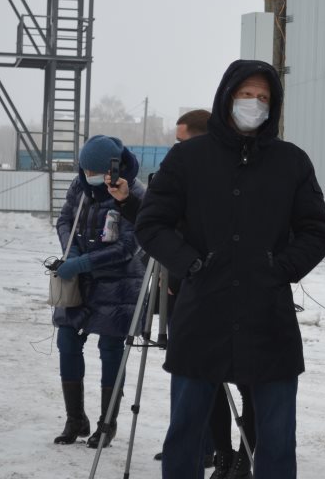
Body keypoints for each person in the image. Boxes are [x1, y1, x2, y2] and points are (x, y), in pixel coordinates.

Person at [135, 59, 325, 479]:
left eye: (263, 97)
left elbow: (317, 230)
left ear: (273, 106)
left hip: (269, 321)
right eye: (246, 94)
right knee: (186, 434)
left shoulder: (291, 162)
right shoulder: (188, 158)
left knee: (277, 440)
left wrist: (280, 269)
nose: (254, 103)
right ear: (227, 96)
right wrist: (190, 263)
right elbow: (151, 223)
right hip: (202, 314)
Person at [106, 108, 222, 469]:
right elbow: (160, 226)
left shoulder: (217, 179)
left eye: (181, 140)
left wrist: (179, 273)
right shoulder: (180, 174)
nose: (175, 149)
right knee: (186, 370)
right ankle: (189, 444)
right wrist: (127, 201)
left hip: (206, 290)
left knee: (207, 373)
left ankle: (215, 450)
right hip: (178, 287)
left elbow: (192, 236)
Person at [52, 135, 145, 448]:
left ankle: (107, 422)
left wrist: (83, 263)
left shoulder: (133, 193)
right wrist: (72, 250)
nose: (88, 175)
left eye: (94, 170)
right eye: (85, 168)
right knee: (66, 339)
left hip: (118, 285)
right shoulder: (79, 186)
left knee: (110, 350)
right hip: (79, 284)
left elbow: (129, 246)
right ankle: (74, 418)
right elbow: (65, 220)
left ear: (112, 168)